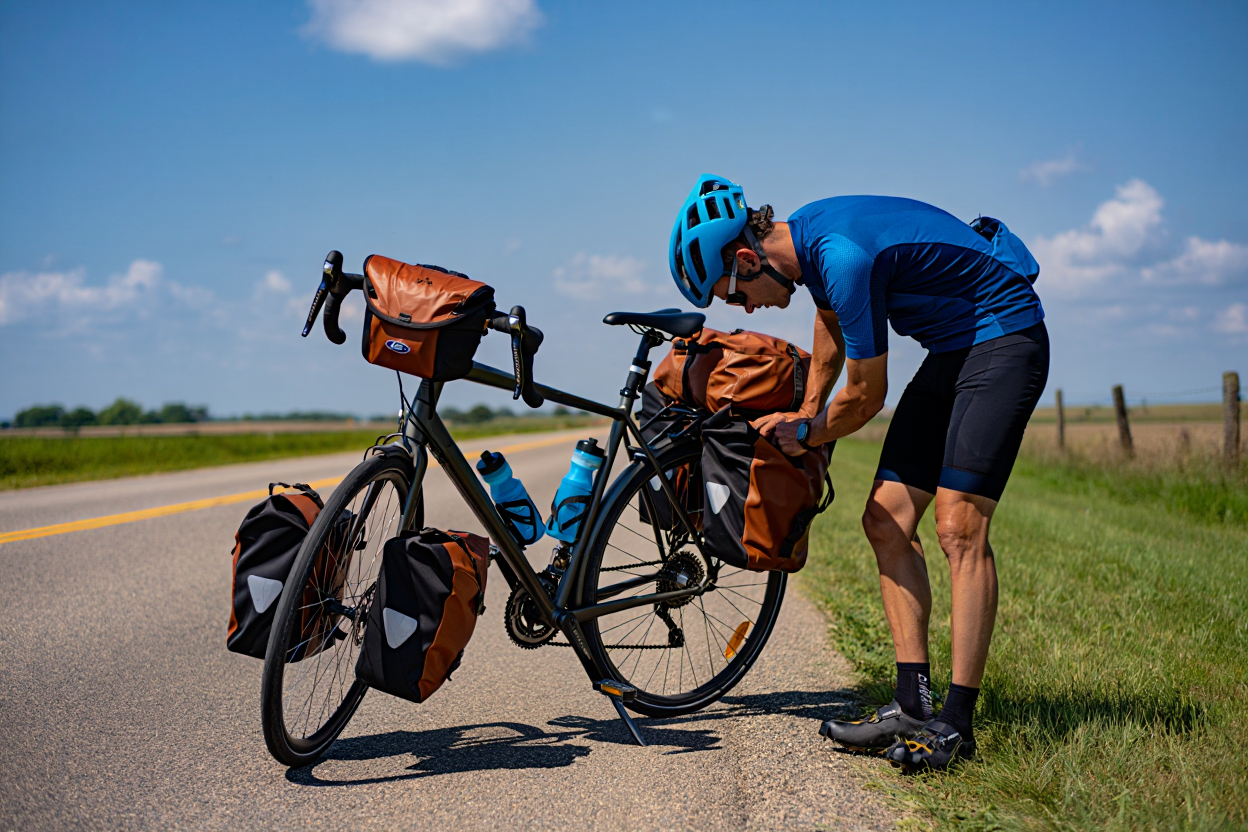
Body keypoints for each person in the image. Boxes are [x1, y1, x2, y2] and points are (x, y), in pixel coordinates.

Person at [668, 174, 1049, 772]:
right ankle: (912, 705)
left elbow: (868, 396)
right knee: (885, 521)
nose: (744, 309)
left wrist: (809, 432)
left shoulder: (839, 254)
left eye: (734, 296)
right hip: (955, 351)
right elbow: (830, 328)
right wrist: (807, 406)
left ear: (746, 258)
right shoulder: (810, 242)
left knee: (959, 527)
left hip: (1006, 339)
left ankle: (956, 725)